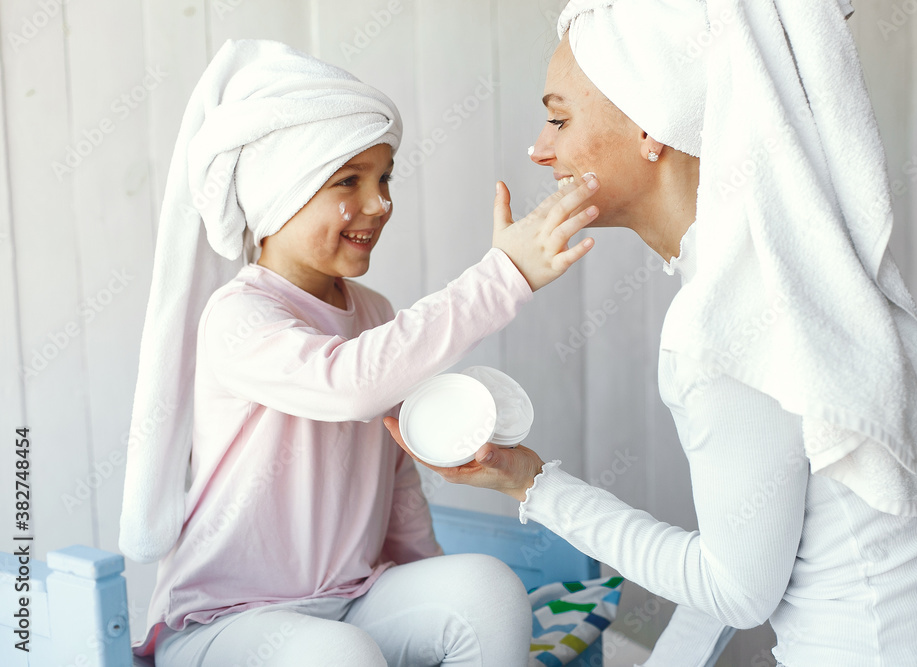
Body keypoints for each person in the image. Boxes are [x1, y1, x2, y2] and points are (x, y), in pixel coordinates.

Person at [384, 1, 917, 665]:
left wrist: (531, 483)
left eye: (559, 118)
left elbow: (734, 593)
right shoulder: (805, 269)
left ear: (650, 125)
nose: (540, 149)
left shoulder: (724, 322)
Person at [117, 39, 600, 666]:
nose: (380, 203)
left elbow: (395, 470)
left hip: (351, 597)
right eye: (349, 180)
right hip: (227, 622)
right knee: (337, 655)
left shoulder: (373, 312)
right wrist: (502, 276)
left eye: (384, 177)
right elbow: (349, 385)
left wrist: (429, 579)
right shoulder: (238, 316)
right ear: (278, 190)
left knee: (487, 591)